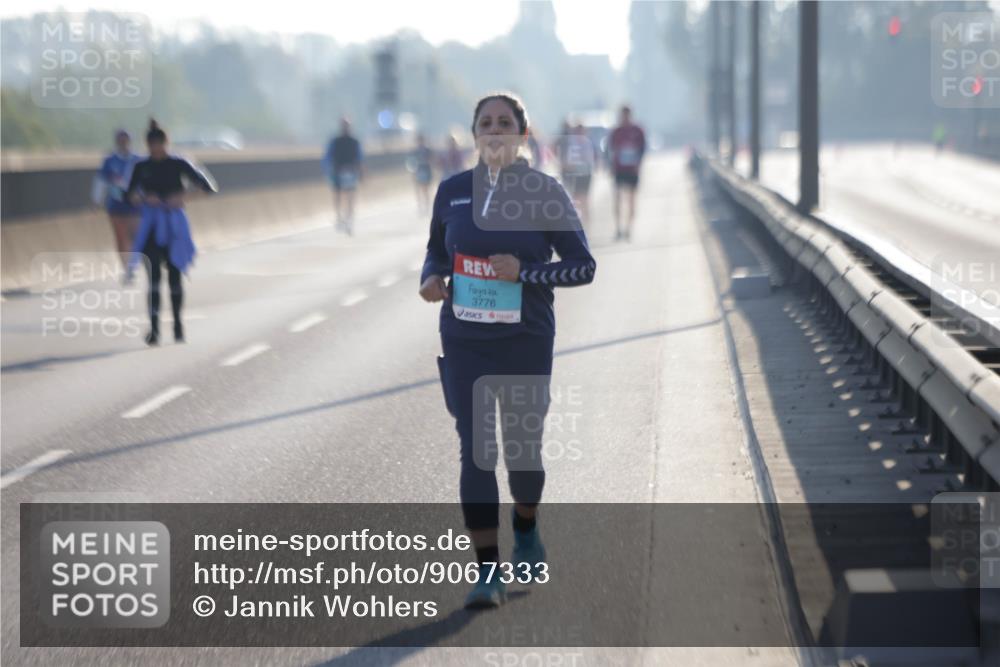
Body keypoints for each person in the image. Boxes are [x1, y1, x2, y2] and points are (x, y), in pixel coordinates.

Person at [419, 93, 596, 609]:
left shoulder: (545, 192)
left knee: (522, 456)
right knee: (476, 450)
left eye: (504, 123)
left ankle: (526, 525)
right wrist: (431, 276)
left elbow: (583, 267)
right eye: (485, 123)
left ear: (523, 134)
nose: (494, 130)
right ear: (474, 133)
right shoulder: (452, 191)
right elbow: (436, 249)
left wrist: (526, 273)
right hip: (465, 338)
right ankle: (487, 572)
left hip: (526, 339)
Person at [125, 119, 217, 346]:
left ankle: (177, 325)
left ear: (167, 144)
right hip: (151, 225)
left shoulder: (179, 163)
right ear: (148, 146)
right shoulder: (141, 166)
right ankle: (154, 329)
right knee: (154, 279)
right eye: (152, 146)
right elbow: (128, 195)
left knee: (175, 277)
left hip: (174, 224)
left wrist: (182, 197)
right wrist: (145, 198)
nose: (157, 150)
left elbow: (209, 188)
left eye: (160, 146)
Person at [93, 129, 142, 265]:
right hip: (116, 205)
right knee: (120, 237)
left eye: (125, 140)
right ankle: (126, 267)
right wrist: (97, 201)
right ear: (116, 142)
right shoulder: (109, 161)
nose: (123, 143)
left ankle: (135, 261)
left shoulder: (138, 160)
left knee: (135, 235)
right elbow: (101, 181)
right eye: (120, 140)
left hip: (135, 205)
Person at [608, 105, 646, 241]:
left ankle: (629, 228)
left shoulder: (638, 130)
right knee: (617, 198)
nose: (625, 118)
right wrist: (611, 166)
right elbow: (610, 150)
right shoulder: (616, 131)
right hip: (619, 169)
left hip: (632, 170)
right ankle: (618, 228)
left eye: (627, 115)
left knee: (631, 199)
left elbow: (643, 149)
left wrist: (639, 164)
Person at [323, 118, 363, 234]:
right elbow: (328, 157)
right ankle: (339, 217)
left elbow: (359, 158)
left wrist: (361, 172)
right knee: (337, 195)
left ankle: (349, 218)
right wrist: (328, 170)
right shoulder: (335, 141)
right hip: (338, 171)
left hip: (350, 171)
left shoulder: (354, 142)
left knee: (350, 196)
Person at [556, 121, 597, 225]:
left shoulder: (587, 142)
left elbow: (591, 160)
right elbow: (565, 159)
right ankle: (579, 223)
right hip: (574, 174)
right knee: (575, 199)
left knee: (584, 199)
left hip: (585, 174)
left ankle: (586, 223)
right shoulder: (570, 142)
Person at [411, 133, 434, 215]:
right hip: (418, 170)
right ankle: (420, 207)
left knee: (425, 190)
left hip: (426, 170)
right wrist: (413, 172)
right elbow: (411, 162)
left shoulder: (427, 150)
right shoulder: (414, 151)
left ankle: (427, 206)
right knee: (418, 190)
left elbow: (431, 160)